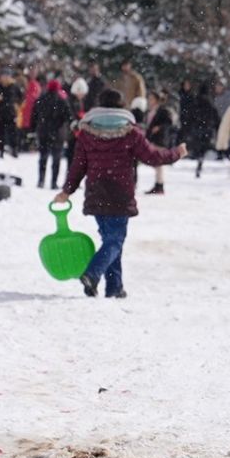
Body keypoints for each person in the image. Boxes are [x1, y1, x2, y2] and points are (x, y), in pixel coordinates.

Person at [55, 89, 186, 299]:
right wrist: (176, 153)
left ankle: (115, 287)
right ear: (121, 107)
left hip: (97, 192)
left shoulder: (87, 134)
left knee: (111, 239)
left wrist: (67, 191)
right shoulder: (131, 133)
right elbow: (152, 156)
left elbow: (78, 166)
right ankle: (92, 273)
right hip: (120, 192)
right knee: (115, 240)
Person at [32, 79, 73, 189]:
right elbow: (69, 116)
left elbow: (34, 114)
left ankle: (41, 180)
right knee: (56, 159)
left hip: (43, 132)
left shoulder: (41, 99)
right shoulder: (62, 100)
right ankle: (53, 182)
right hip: (58, 133)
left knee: (43, 157)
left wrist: (34, 127)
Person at [142, 90, 175, 194]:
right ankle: (158, 184)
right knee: (157, 163)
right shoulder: (150, 111)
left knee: (158, 163)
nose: (149, 101)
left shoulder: (162, 110)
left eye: (151, 99)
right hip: (152, 138)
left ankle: (159, 185)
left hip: (160, 139)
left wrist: (159, 127)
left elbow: (168, 122)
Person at [183, 81, 219, 178]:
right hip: (207, 129)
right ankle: (201, 159)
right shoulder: (210, 103)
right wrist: (217, 128)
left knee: (198, 147)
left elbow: (189, 116)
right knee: (204, 147)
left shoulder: (195, 101)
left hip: (197, 129)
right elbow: (216, 117)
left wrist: (188, 127)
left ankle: (199, 159)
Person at [0, 69, 23, 158]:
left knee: (13, 132)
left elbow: (21, 97)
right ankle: (1, 150)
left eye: (7, 76)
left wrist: (17, 104)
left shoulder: (14, 86)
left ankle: (14, 149)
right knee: (0, 132)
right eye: (3, 76)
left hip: (11, 112)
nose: (5, 78)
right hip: (0, 112)